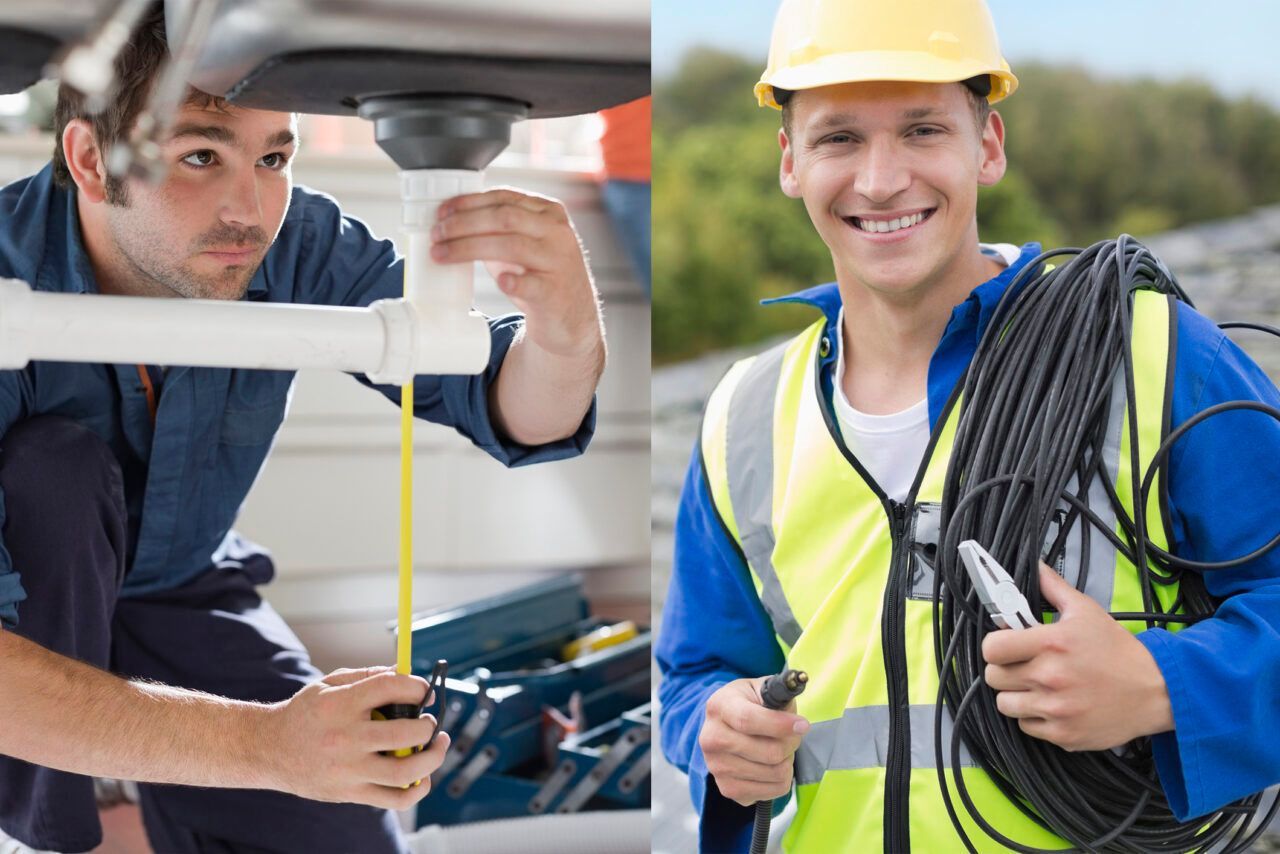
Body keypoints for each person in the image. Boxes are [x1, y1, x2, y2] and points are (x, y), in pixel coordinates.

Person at [655, 0, 1280, 850]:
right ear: (790, 161)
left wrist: (1164, 685)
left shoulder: (1154, 354)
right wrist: (714, 733)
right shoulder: (744, 414)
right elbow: (697, 673)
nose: (880, 180)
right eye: (839, 138)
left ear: (987, 146)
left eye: (921, 130)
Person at [0, 7, 604, 854]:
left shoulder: (295, 240)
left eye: (274, 157)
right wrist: (262, 747)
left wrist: (568, 332)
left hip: (180, 581)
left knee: (352, 837)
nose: (249, 209)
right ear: (91, 160)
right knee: (54, 472)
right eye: (201, 155)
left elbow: (511, 405)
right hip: (23, 600)